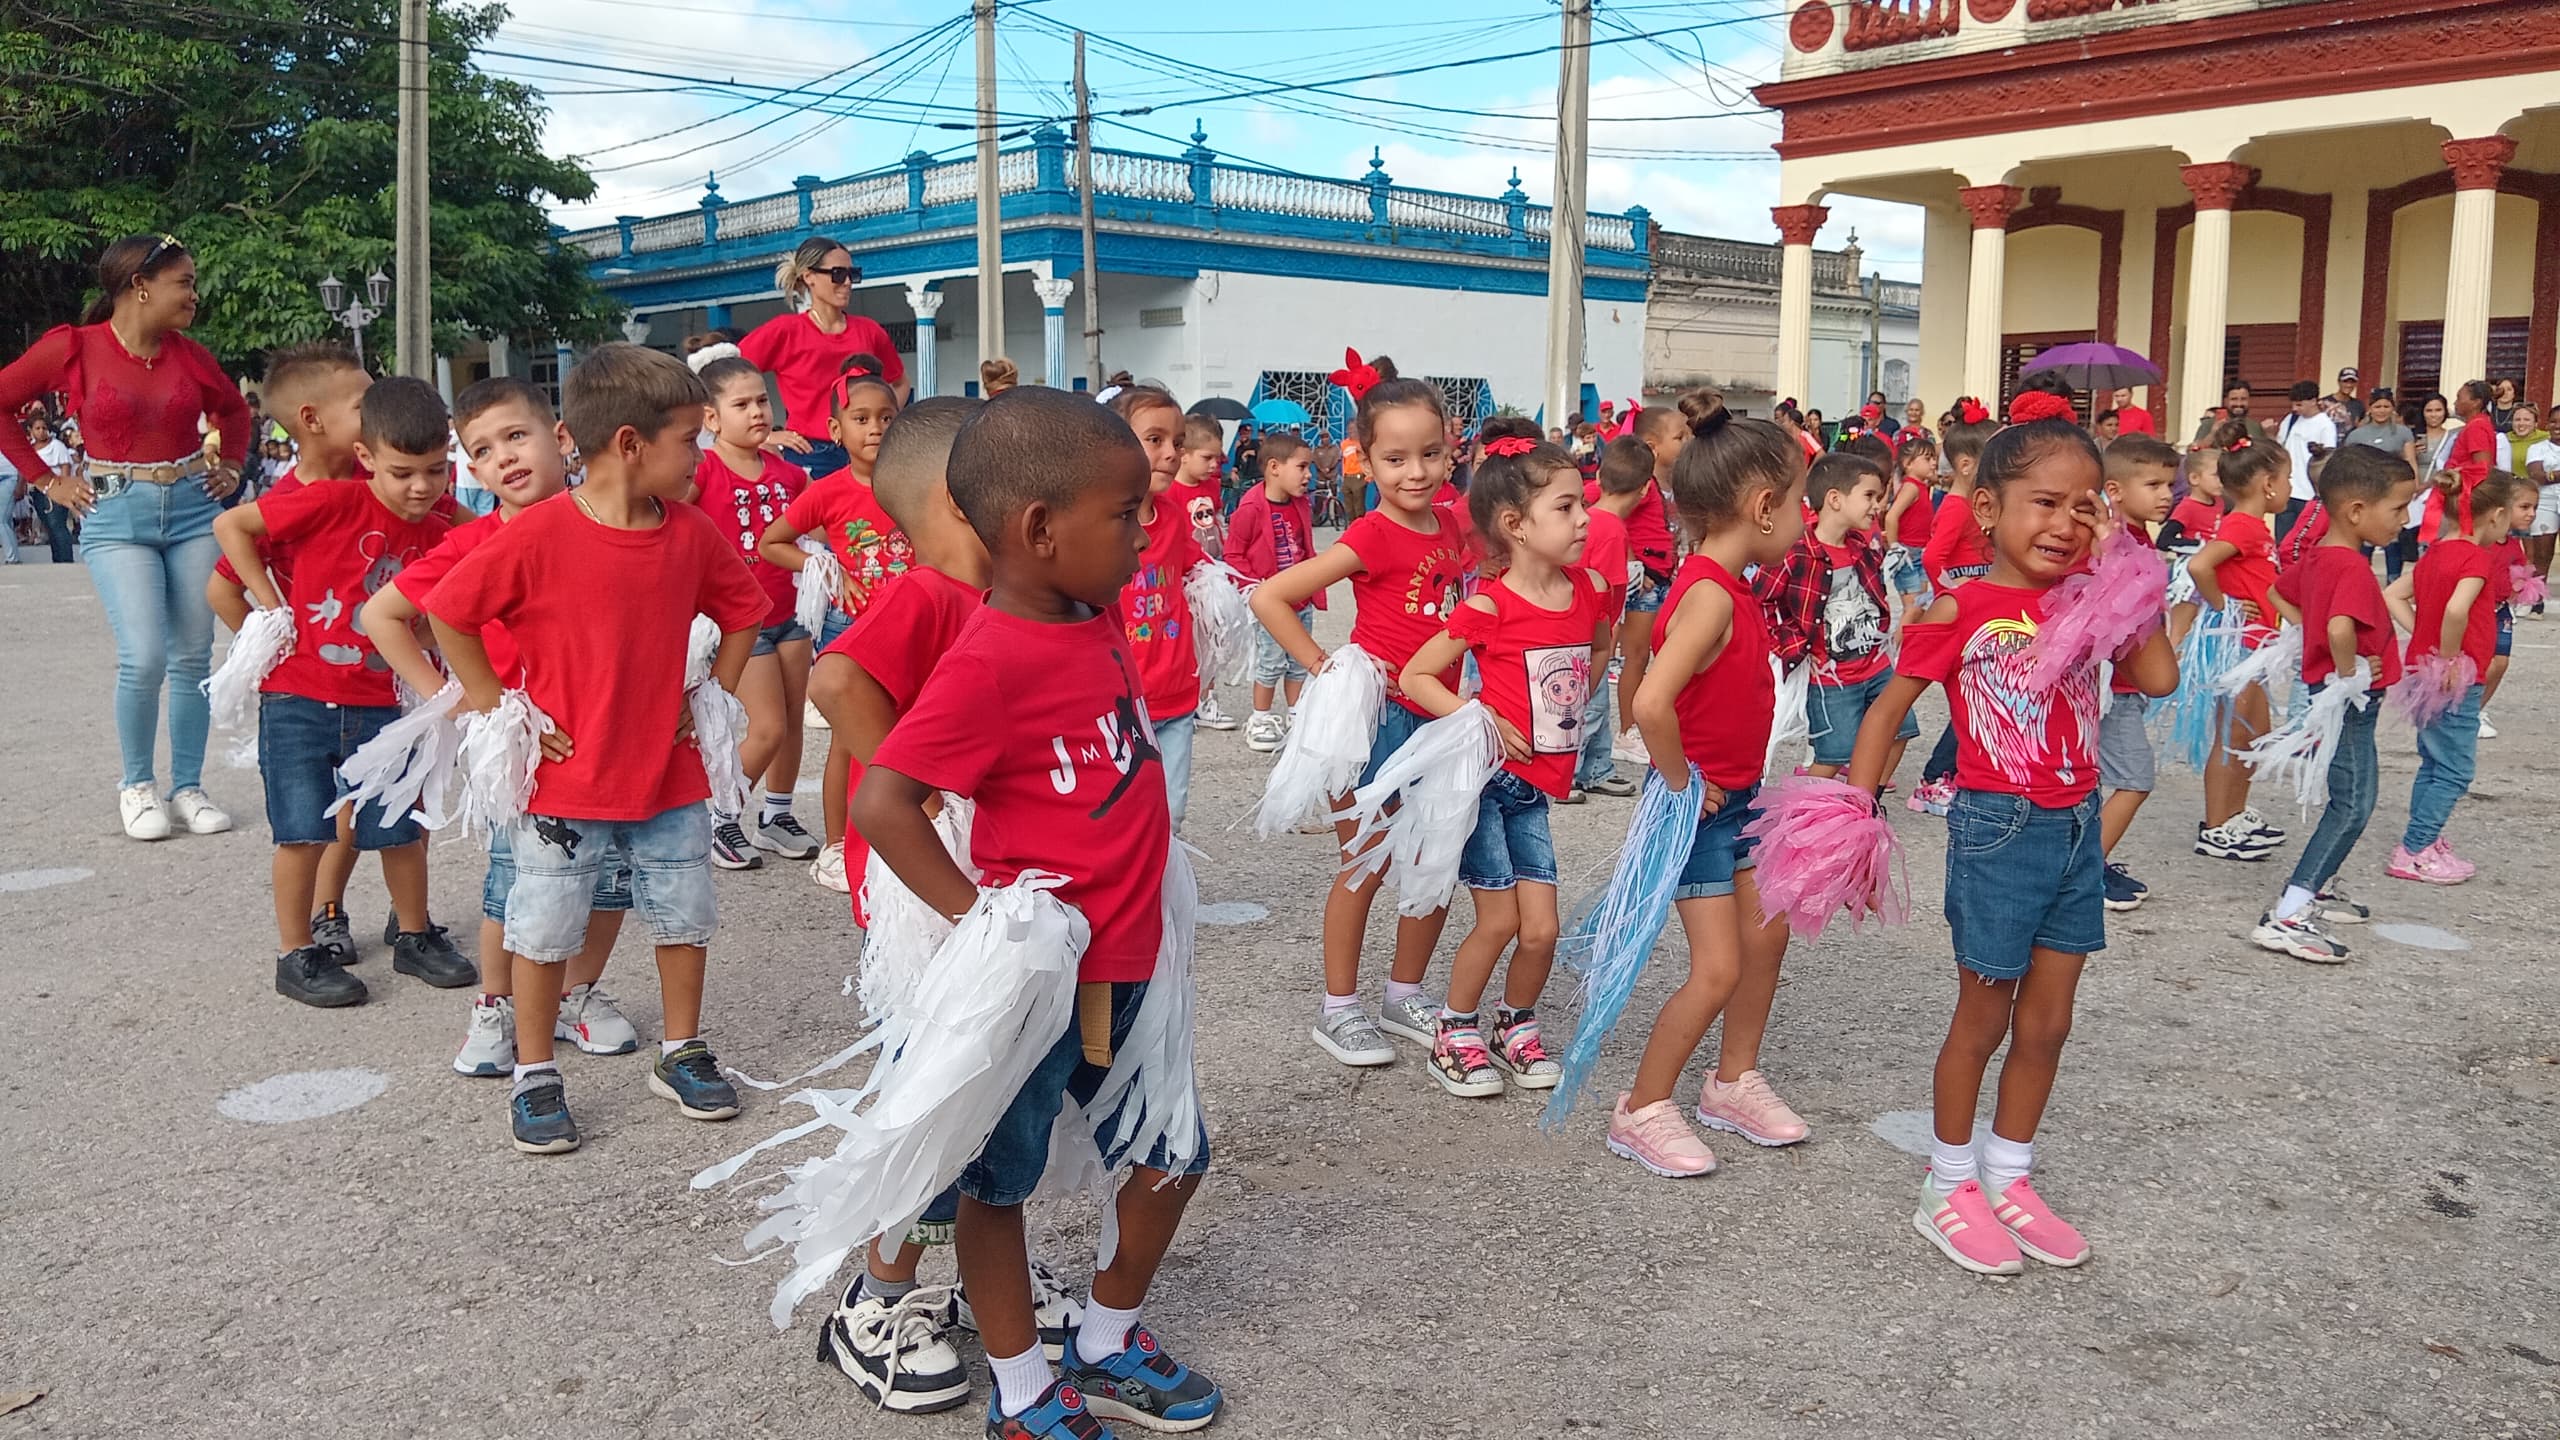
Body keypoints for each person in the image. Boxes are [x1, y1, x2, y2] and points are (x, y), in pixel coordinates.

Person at [854, 386, 1222, 1439]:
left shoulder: (1097, 613)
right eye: (1125, 512)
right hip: (1044, 982)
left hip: (1134, 969)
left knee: (1173, 1158)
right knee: (998, 1181)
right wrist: (982, 924)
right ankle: (1021, 1394)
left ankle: (1106, 1341)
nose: (1145, 527)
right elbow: (885, 801)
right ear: (1038, 529)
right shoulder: (985, 661)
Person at [805, 396, 1086, 1411]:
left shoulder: (1015, 602)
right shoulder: (928, 595)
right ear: (956, 501)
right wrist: (916, 786)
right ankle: (876, 1300)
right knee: (932, 1095)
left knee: (997, 1095)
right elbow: (836, 683)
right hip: (937, 898)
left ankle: (976, 1275)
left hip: (997, 886)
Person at [1847, 417, 2177, 1275]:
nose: (2065, 524)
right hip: (1998, 829)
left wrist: (2126, 581)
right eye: (2044, 504)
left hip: (2077, 828)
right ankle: (1948, 1181)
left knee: (2050, 1020)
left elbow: (2159, 679)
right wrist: (1856, 812)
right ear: (1987, 509)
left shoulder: (2092, 600)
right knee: (1984, 1016)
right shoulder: (1963, 605)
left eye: (2083, 507)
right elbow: (1889, 711)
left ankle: (2010, 1174)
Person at [425, 343, 770, 1152]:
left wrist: (709, 693)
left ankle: (681, 1048)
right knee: (541, 930)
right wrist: (495, 705)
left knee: (685, 916)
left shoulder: (690, 533)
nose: (699, 453)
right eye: (689, 437)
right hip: (562, 780)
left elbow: (745, 608)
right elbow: (451, 611)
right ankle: (536, 1071)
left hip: (668, 774)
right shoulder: (539, 534)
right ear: (628, 443)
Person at [362, 378, 642, 1081]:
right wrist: (464, 703)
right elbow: (381, 617)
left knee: (612, 875)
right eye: (483, 451)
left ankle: (574, 992)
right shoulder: (475, 542)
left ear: (562, 437)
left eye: (517, 436)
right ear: (475, 472)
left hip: (612, 734)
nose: (505, 457)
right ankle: (496, 1004)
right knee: (513, 883)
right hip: (524, 748)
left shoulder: (618, 521)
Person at [1602, 392, 1811, 1176]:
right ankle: (1645, 1105)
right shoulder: (1711, 595)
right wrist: (1685, 781)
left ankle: (1733, 1081)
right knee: (1718, 967)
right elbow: (1652, 701)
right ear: (1762, 506)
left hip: (1741, 798)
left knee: (1767, 937)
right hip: (1700, 807)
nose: (1802, 520)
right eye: (1796, 505)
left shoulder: (1728, 584)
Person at [211, 377, 469, 1007]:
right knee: (302, 833)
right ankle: (296, 953)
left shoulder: (444, 526)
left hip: (388, 704)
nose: (421, 487)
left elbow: (498, 547)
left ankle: (414, 934)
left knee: (399, 827)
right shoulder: (329, 501)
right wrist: (272, 611)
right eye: (404, 472)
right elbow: (231, 526)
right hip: (299, 698)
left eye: (436, 471)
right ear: (367, 459)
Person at [1250, 365, 1467, 1066]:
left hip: (1441, 718)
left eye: (1429, 454)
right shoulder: (1371, 535)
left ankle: (1405, 994)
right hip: (1379, 721)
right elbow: (1270, 598)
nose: (1415, 472)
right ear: (1363, 459)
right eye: (1395, 458)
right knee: (1365, 862)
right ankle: (1339, 1008)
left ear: (1451, 448)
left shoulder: (1459, 518)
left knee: (1436, 857)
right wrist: (1324, 669)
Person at [0, 235, 252, 839]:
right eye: (183, 282)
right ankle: (137, 785)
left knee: (194, 656)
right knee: (143, 655)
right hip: (115, 516)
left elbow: (235, 413)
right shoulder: (73, 347)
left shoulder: (189, 355)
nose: (194, 294)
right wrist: (44, 480)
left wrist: (234, 466)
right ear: (141, 286)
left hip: (193, 509)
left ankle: (188, 786)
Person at [1395, 437, 1608, 1098]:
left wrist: (1572, 709)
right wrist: (1481, 718)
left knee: (1542, 929)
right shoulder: (1489, 605)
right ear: (1516, 525)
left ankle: (1513, 1024)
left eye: (1583, 505)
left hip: (1536, 791)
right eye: (1566, 506)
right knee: (1500, 920)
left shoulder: (1591, 589)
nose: (1584, 520)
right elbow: (1416, 674)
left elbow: (1598, 649)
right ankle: (1453, 1031)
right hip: (1484, 787)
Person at [206, 345, 381, 966]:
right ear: (311, 419)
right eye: (365, 404)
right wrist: (277, 644)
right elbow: (221, 585)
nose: (379, 410)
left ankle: (332, 904)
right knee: (312, 816)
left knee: (363, 808)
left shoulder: (380, 480)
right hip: (307, 689)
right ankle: (316, 922)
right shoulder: (284, 502)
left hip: (374, 684)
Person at [2234, 446, 2418, 960]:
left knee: (2349, 793)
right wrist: (2349, 670)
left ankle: (2321, 884)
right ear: (2357, 510)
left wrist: (2311, 635)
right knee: (2353, 803)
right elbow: (2340, 626)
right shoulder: (2353, 569)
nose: (2404, 521)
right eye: (2398, 508)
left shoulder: (2319, 556)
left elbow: (2276, 594)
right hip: (2350, 702)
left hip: (2335, 697)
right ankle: (2290, 911)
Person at [760, 358, 908, 891]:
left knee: (908, 734)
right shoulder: (828, 490)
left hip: (913, 632)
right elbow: (771, 543)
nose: (875, 429)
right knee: (849, 741)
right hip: (856, 633)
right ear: (835, 430)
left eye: (886, 418)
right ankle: (836, 845)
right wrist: (825, 566)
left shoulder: (911, 483)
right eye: (862, 419)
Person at [687, 355, 818, 872]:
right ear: (711, 419)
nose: (757, 412)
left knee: (790, 727)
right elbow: (670, 520)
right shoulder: (703, 470)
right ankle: (721, 817)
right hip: (738, 622)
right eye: (741, 404)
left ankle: (777, 816)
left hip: (791, 613)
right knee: (765, 728)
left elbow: (823, 520)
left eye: (762, 400)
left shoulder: (787, 473)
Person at [2377, 470, 2516, 890]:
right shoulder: (2476, 558)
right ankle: (2415, 849)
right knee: (2455, 768)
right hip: (2455, 677)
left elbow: (2392, 595)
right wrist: (2450, 655)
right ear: (2494, 516)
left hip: (2424, 670)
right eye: (2509, 519)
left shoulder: (2434, 552)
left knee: (2434, 760)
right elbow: (2458, 610)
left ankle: (2426, 837)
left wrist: (2422, 629)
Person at [1758, 452, 1913, 783]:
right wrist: (1790, 642)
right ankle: (1806, 816)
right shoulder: (1795, 551)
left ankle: (1862, 802)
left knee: (1900, 731)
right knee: (1832, 755)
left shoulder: (1862, 548)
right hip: (1831, 678)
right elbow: (1761, 600)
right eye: (1869, 496)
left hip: (1876, 665)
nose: (1877, 506)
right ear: (1835, 499)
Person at [2186, 439, 2298, 861]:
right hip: (2239, 647)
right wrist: (2224, 605)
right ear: (2268, 483)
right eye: (2287, 478)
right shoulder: (2244, 526)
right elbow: (2200, 565)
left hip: (2258, 646)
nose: (2290, 486)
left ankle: (2235, 814)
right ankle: (2216, 825)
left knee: (2253, 735)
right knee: (2232, 738)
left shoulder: (2253, 527)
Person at [2092, 436, 2182, 909]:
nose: (2166, 493)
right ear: (2116, 489)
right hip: (2115, 685)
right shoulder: (2114, 541)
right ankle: (2088, 869)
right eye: (2153, 484)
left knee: (2094, 780)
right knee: (2134, 778)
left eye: (2170, 483)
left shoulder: (2139, 535)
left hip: (2129, 682)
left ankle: (2087, 860)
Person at [740, 237, 906, 478]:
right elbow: (725, 378)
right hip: (810, 452)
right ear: (809, 277)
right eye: (838, 274)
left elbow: (900, 381)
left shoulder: (869, 331)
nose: (848, 282)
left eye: (853, 274)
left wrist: (884, 421)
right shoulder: (785, 331)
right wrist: (765, 436)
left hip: (865, 450)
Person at [1908, 414, 2004, 816]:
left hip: (1980, 603)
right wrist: (1953, 594)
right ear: (1967, 465)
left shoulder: (1974, 505)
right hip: (1967, 607)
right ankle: (1933, 779)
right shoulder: (1956, 508)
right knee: (1973, 696)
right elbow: (1933, 556)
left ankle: (1950, 774)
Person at [1605, 407, 1691, 769]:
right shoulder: (1641, 486)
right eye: (1679, 437)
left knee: (1669, 658)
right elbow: (1612, 515)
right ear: (1653, 447)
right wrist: (1633, 566)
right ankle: (1627, 731)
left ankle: (1660, 724)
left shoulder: (1673, 484)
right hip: (1646, 585)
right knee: (1636, 658)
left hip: (1669, 579)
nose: (1687, 443)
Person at [1227, 431, 1318, 753]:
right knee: (1270, 660)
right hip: (1270, 604)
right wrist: (1256, 589)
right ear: (1275, 467)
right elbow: (1233, 554)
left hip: (1300, 600)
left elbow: (1306, 548)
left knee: (1298, 659)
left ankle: (1296, 713)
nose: (1309, 475)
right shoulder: (1252, 507)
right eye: (1302, 467)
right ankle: (1261, 717)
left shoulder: (1301, 505)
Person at [1576, 436, 1649, 800]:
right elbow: (1609, 589)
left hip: (1575, 623)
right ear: (1645, 488)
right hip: (1596, 629)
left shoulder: (1586, 516)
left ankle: (1597, 767)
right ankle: (1572, 772)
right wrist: (1612, 636)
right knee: (1591, 705)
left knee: (1596, 703)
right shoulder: (1613, 531)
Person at [1167, 414, 1236, 732]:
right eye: (1207, 458)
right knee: (1185, 642)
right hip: (1183, 578)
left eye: (1217, 458)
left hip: (1211, 573)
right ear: (1184, 455)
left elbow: (1217, 520)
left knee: (1210, 640)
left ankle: (1205, 699)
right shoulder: (1170, 492)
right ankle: (1185, 700)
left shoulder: (1212, 485)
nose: (1214, 465)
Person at [2422, 380, 2498, 542]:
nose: (2455, 403)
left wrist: (2453, 477)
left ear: (2475, 403)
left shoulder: (2476, 427)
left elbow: (2482, 468)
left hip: (2464, 496)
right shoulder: (2476, 425)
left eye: (2459, 398)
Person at [1881, 432, 1940, 625]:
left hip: (1920, 553)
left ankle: (1909, 647)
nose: (1933, 463)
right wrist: (1895, 547)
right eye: (1928, 458)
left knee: (1920, 606)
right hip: (1908, 555)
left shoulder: (1921, 486)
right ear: (1908, 463)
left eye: (1934, 458)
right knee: (1913, 609)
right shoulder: (1911, 488)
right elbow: (1891, 516)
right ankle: (1896, 651)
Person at [2275, 381, 2337, 537]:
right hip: (2287, 490)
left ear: (2313, 401)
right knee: (2283, 541)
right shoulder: (2291, 420)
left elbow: (2328, 459)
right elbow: (2279, 446)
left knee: (2306, 541)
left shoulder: (2325, 425)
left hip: (2310, 494)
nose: (2295, 409)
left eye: (2299, 405)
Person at [24, 416, 79, 563]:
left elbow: (65, 467)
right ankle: (57, 558)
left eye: (44, 428)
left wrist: (63, 488)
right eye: (38, 428)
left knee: (57, 524)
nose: (41, 431)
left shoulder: (56, 446)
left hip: (55, 489)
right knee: (49, 526)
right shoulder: (30, 448)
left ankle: (66, 559)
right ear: (31, 431)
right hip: (38, 491)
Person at [2193, 380, 2273, 448]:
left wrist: (2269, 434)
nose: (2239, 404)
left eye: (2243, 399)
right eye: (2234, 399)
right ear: (2225, 400)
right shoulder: (2210, 424)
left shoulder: (2255, 426)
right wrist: (2212, 434)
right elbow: (2194, 450)